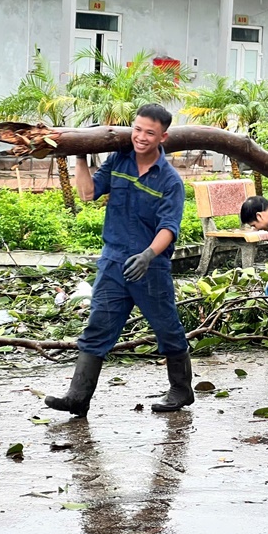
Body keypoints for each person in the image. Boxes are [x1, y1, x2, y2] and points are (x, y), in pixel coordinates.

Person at [45, 104, 193, 417]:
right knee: (98, 327)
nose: (140, 137)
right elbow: (87, 194)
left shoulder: (169, 181)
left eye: (149, 133)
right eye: (137, 129)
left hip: (149, 269)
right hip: (113, 263)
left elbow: (169, 227)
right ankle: (78, 396)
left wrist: (149, 254)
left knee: (166, 327)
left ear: (162, 137)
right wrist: (81, 153)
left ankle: (181, 388)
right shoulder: (119, 160)